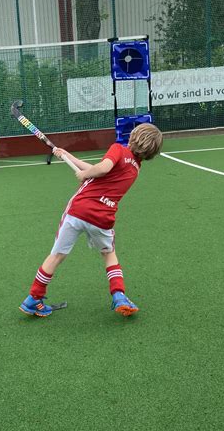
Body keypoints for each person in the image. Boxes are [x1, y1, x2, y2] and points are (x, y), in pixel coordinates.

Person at [19, 122, 163, 318]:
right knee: (109, 254)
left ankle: (33, 299)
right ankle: (119, 295)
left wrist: (85, 174)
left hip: (78, 210)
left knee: (57, 255)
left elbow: (102, 169)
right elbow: (101, 170)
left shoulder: (118, 149)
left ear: (133, 136)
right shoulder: (135, 168)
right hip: (103, 217)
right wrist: (68, 157)